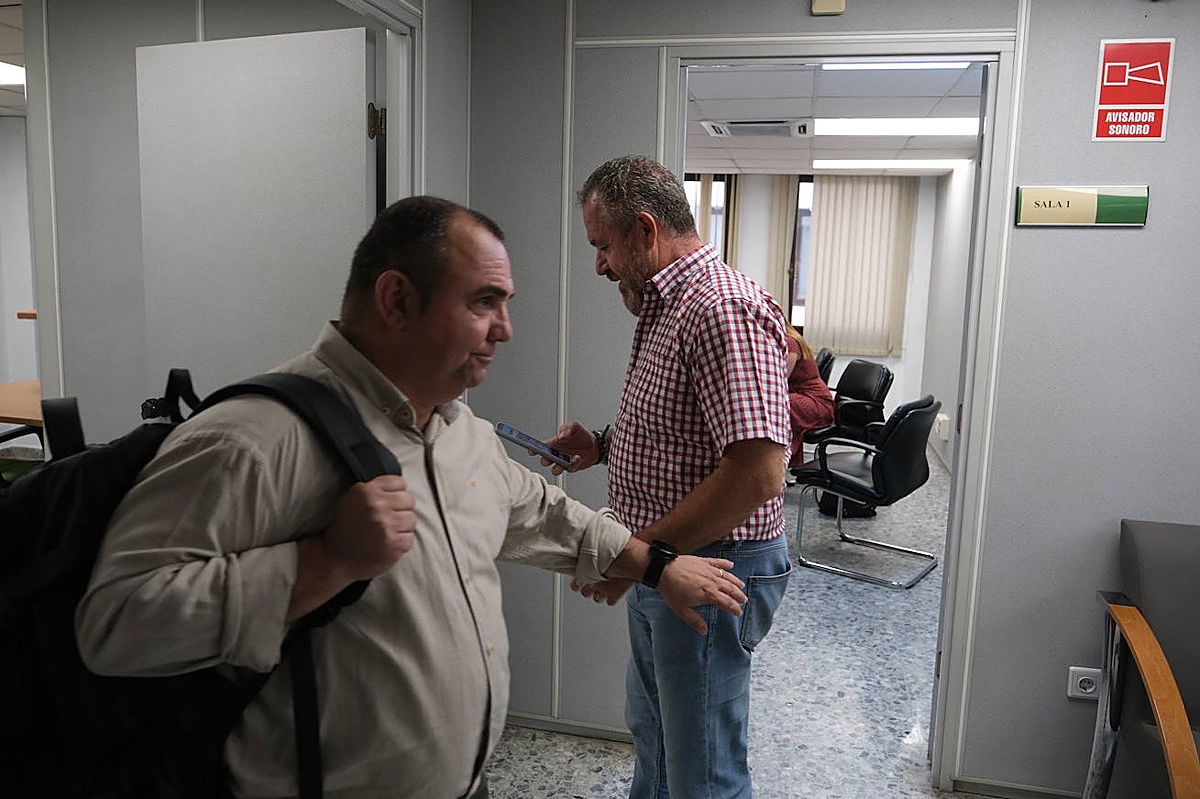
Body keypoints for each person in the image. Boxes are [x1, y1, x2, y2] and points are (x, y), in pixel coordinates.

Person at [74, 195, 751, 799]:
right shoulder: (251, 439)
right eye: (484, 302)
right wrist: (325, 562)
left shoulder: (460, 433)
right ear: (397, 300)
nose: (506, 329)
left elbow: (546, 516)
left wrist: (656, 567)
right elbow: (114, 623)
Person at [543, 156, 793, 798]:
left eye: (602, 246)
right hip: (670, 557)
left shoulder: (720, 310)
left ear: (645, 230)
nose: (600, 265)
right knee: (655, 740)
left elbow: (758, 473)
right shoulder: (666, 305)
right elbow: (686, 428)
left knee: (701, 770)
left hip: (713, 564)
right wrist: (602, 445)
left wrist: (640, 557)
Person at [782, 319, 834, 467]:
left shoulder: (790, 343)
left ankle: (781, 461)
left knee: (782, 406)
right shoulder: (788, 340)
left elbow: (780, 378)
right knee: (782, 404)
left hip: (817, 402)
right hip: (804, 396)